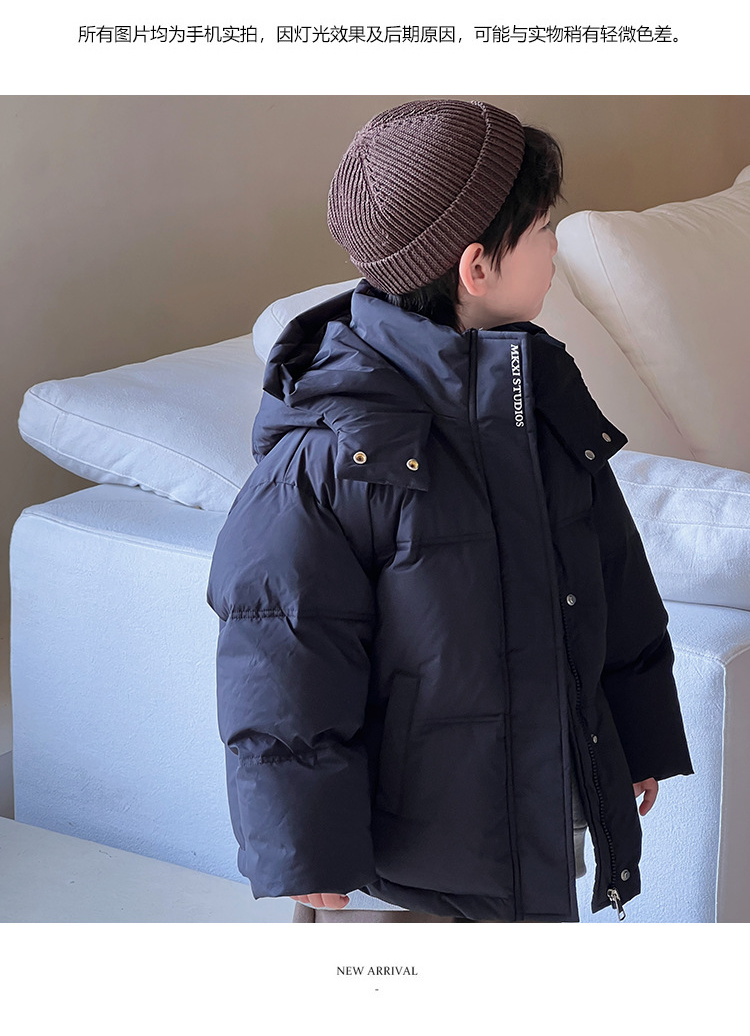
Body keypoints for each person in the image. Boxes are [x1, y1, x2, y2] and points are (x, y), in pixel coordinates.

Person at [206, 98, 694, 924]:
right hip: (409, 852)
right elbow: (282, 652)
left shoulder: (540, 396)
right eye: (543, 228)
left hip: (538, 810)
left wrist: (635, 734)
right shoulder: (335, 452)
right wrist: (304, 840)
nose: (555, 246)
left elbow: (612, 580)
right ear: (476, 268)